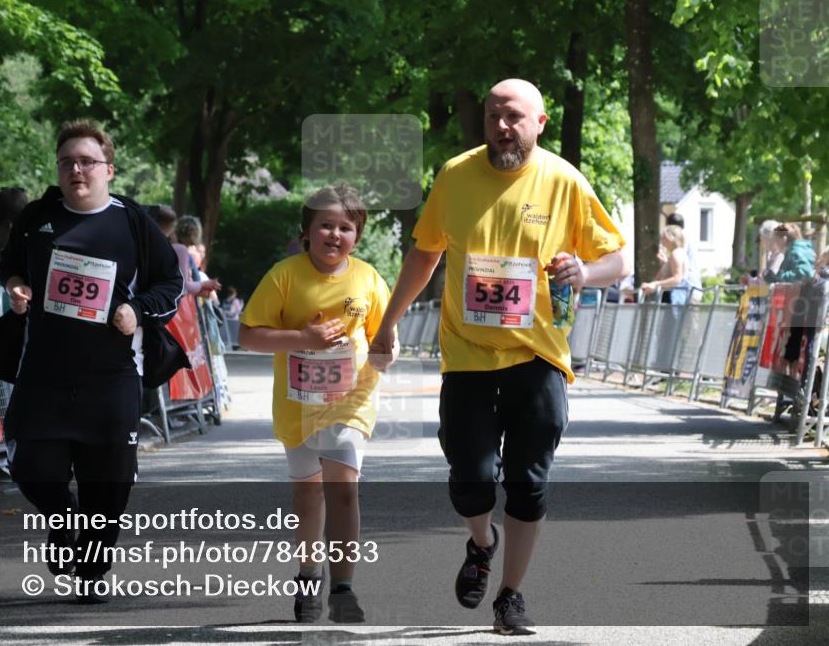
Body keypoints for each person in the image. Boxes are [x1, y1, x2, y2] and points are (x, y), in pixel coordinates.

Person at [368, 79, 629, 635]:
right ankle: (481, 542)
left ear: (539, 121)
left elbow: (617, 261)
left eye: (513, 116)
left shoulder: (564, 181)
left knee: (528, 483)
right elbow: (424, 254)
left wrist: (585, 272)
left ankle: (510, 596)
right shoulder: (456, 175)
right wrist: (388, 323)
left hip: (539, 355)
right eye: (492, 117)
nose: (501, 127)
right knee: (470, 477)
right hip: (467, 354)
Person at [0, 120, 184, 603]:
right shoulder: (38, 216)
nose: (76, 169)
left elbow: (170, 284)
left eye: (86, 162)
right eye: (67, 162)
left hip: (112, 374)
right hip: (44, 371)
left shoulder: (132, 220)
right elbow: (9, 264)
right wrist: (16, 286)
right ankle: (64, 519)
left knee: (111, 483)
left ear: (108, 169)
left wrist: (135, 311)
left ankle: (91, 571)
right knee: (32, 466)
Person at [238, 185, 394, 624]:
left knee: (343, 490)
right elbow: (249, 335)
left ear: (357, 236)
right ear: (306, 232)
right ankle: (309, 576)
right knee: (308, 497)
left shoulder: (367, 278)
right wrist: (302, 339)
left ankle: (344, 588)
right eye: (325, 225)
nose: (335, 234)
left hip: (351, 399)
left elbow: (385, 337)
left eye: (346, 227)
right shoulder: (283, 275)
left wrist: (388, 351)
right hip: (297, 402)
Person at [641, 225, 696, 305]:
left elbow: (677, 279)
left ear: (670, 238)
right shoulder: (679, 253)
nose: (661, 241)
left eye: (663, 237)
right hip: (673, 298)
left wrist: (655, 284)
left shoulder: (676, 254)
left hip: (672, 300)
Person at [662, 213, 702, 294]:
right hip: (695, 283)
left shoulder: (680, 243)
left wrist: (665, 262)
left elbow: (679, 267)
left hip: (685, 287)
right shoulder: (689, 239)